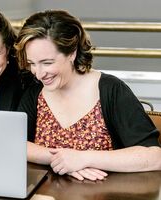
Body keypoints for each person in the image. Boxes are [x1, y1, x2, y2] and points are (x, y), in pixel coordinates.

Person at [14, 10, 161, 181]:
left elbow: (154, 157)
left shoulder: (110, 89)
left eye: (47, 63)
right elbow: (14, 143)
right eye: (32, 63)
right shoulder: (35, 92)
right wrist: (61, 160)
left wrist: (84, 158)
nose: (38, 74)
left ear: (72, 53)